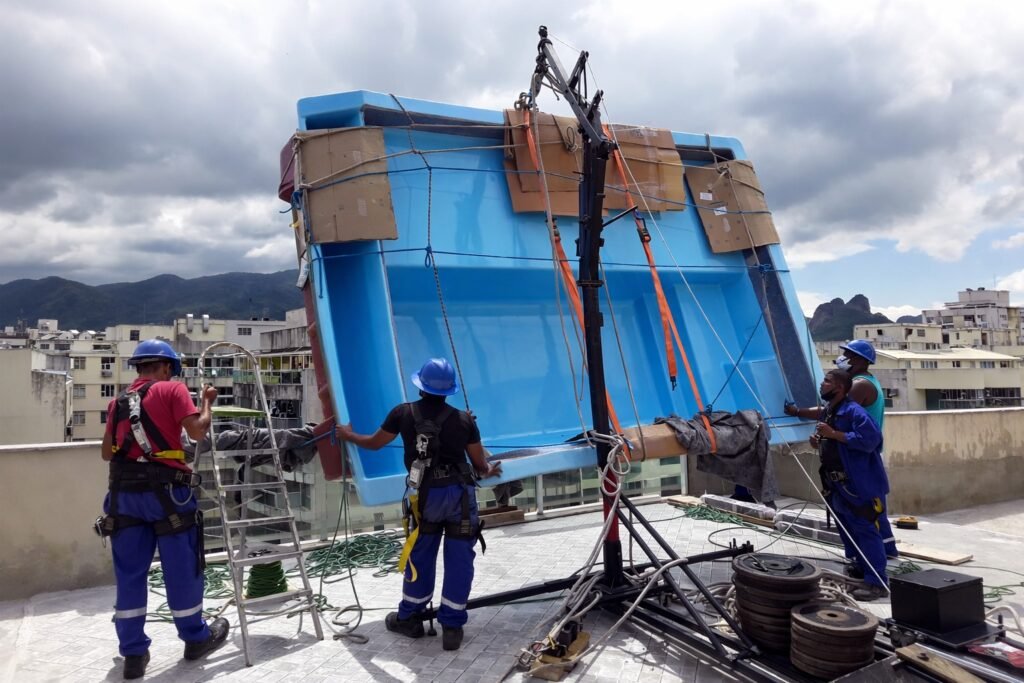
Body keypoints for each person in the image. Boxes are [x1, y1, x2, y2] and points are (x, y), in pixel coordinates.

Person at [336, 357, 501, 651]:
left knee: (421, 554)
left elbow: (374, 443)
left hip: (426, 496)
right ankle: (452, 626)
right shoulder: (464, 420)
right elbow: (480, 464)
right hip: (459, 496)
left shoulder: (402, 413)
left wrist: (347, 435)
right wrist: (491, 469)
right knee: (460, 559)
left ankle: (410, 617)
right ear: (450, 390)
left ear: (421, 385)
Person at [99, 340, 230, 679]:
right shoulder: (173, 390)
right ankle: (195, 637)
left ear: (138, 367)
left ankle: (133, 654)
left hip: (123, 496)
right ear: (168, 367)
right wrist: (206, 402)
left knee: (130, 574)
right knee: (181, 568)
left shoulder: (119, 402)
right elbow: (198, 432)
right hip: (168, 495)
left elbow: (105, 453)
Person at [786, 339, 898, 561]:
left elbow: (833, 412)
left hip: (857, 457)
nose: (843, 358)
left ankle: (875, 569)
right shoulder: (864, 382)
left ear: (859, 360)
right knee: (869, 513)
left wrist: (797, 411)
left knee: (863, 515)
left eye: (847, 354)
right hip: (849, 453)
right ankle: (883, 554)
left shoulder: (858, 387)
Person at [807, 369, 890, 601]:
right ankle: (860, 568)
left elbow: (871, 440)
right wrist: (819, 441)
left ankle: (877, 582)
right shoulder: (829, 413)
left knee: (865, 529)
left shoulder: (854, 413)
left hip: (858, 485)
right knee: (848, 530)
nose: (822, 385)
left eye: (827, 381)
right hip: (837, 485)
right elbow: (830, 442)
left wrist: (835, 434)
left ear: (840, 388)